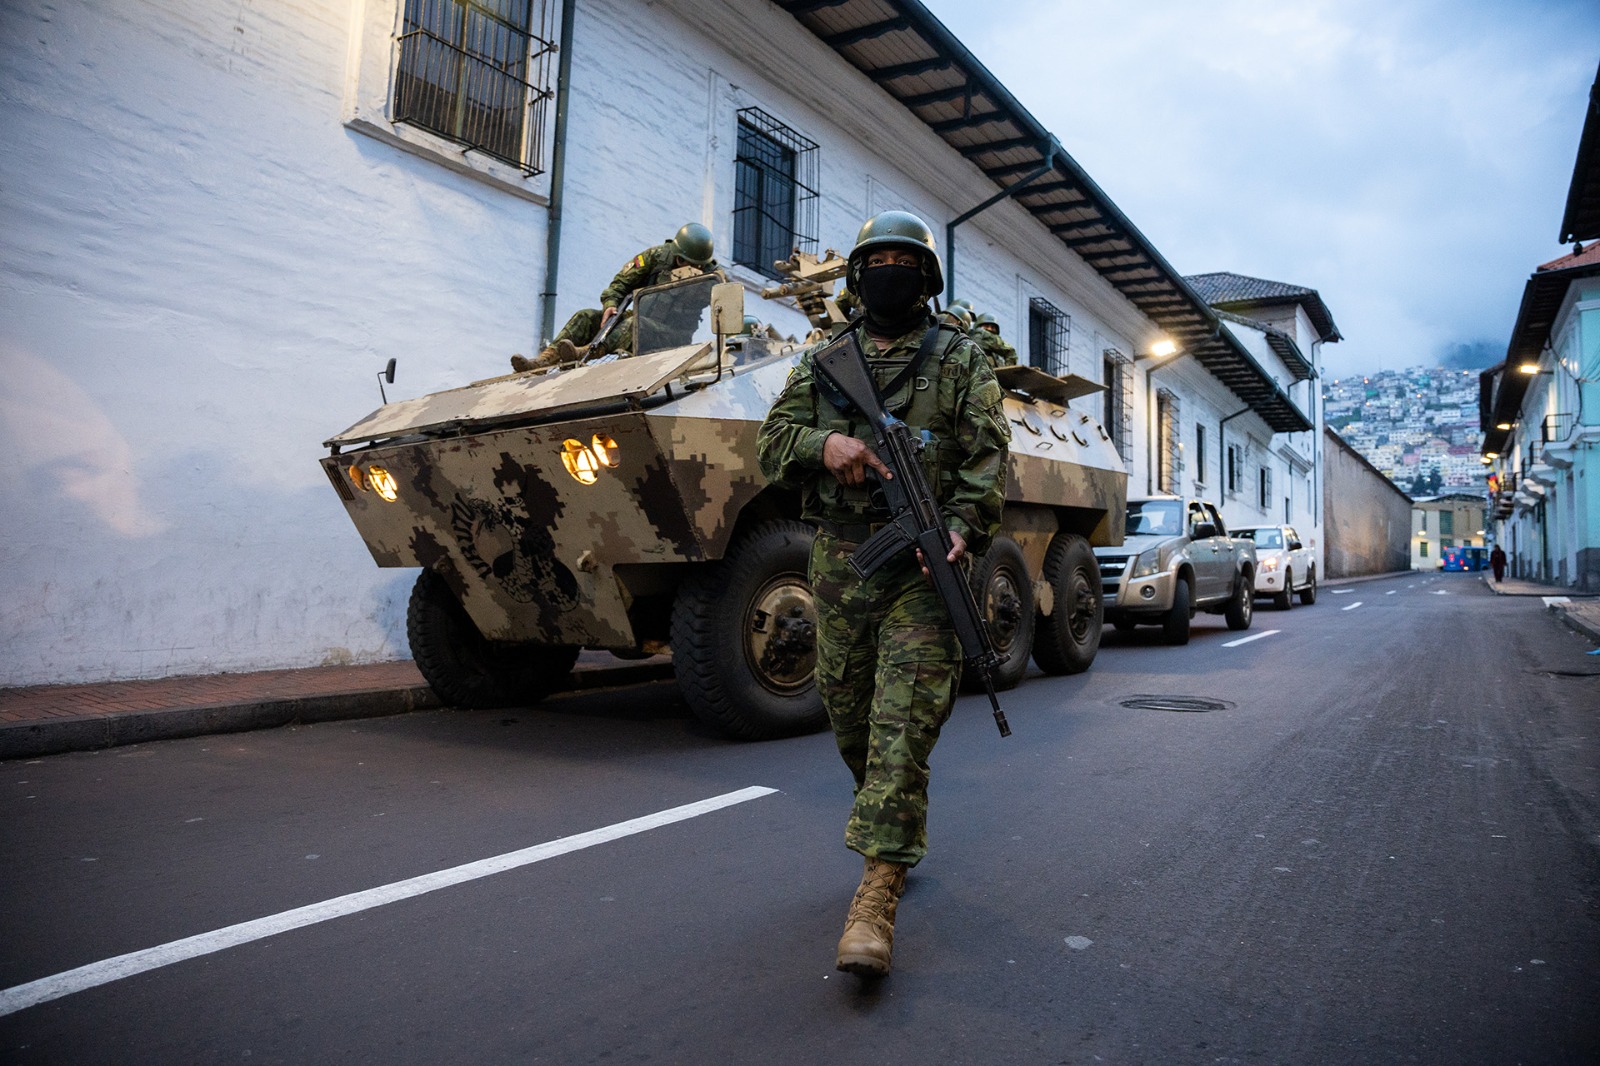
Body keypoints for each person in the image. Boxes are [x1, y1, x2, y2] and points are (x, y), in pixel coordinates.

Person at [756, 211, 1011, 978]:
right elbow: (771, 443)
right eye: (879, 261)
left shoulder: (962, 360)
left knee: (902, 725)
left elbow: (987, 460)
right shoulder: (824, 360)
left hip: (928, 572)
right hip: (842, 563)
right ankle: (889, 826)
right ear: (859, 276)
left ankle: (876, 894)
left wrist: (963, 523)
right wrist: (823, 445)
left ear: (926, 278)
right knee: (851, 716)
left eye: (906, 261)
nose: (891, 272)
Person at [511, 223, 718, 372]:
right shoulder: (657, 257)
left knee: (632, 324)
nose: (690, 266)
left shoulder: (713, 277)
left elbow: (723, 302)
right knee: (585, 317)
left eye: (697, 264)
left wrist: (701, 282)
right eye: (684, 261)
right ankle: (542, 363)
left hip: (673, 336)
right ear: (676, 254)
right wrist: (610, 305)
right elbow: (620, 284)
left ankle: (585, 353)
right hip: (639, 321)